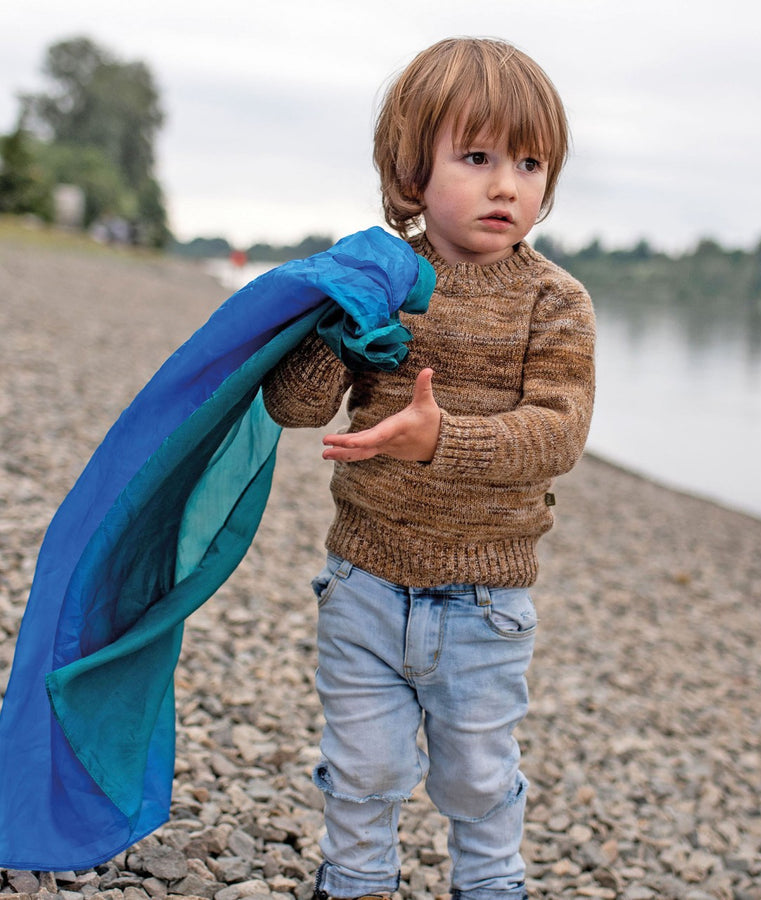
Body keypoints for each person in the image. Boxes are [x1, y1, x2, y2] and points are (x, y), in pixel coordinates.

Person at [261, 36, 595, 900]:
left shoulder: (554, 301)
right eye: (476, 157)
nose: (505, 184)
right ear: (413, 175)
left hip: (488, 603)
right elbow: (296, 408)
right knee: (364, 768)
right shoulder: (381, 278)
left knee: (477, 780)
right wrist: (342, 329)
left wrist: (438, 439)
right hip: (365, 583)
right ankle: (356, 882)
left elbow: (559, 432)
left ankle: (491, 886)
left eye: (529, 162)